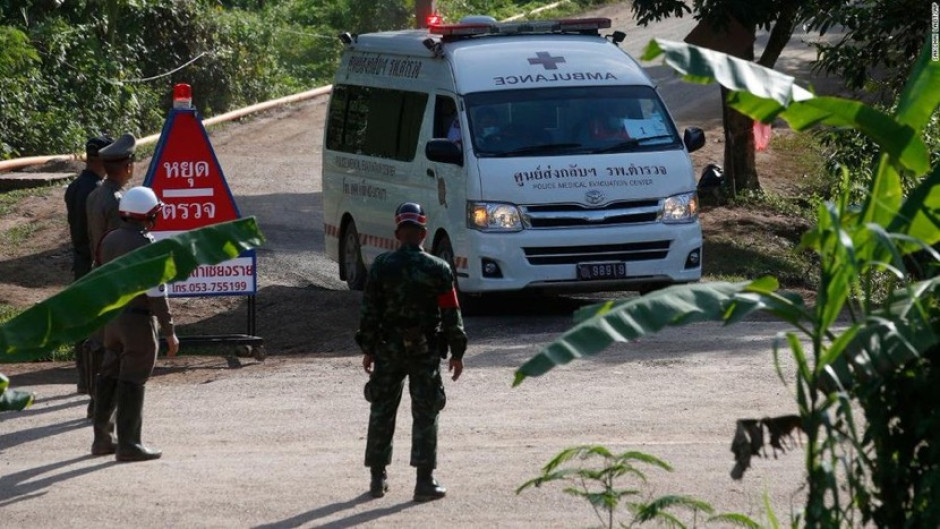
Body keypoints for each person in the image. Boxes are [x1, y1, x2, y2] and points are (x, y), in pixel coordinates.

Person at [357, 202, 468, 502]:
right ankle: (424, 481)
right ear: (423, 233)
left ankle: (377, 479)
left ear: (397, 232)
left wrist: (368, 347)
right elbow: (450, 314)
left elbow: (369, 312)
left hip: (388, 349)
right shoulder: (438, 269)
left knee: (381, 409)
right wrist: (457, 352)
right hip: (424, 350)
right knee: (426, 411)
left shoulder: (381, 266)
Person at [90, 184, 180, 462]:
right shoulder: (146, 245)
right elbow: (156, 292)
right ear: (148, 215)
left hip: (112, 322)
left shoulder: (108, 239)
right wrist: (169, 331)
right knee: (133, 379)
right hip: (137, 324)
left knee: (109, 374)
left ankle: (103, 440)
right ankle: (130, 444)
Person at [82, 133, 137, 416]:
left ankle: (95, 400)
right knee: (114, 345)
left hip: (97, 271)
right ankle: (103, 404)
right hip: (113, 277)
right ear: (127, 165)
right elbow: (120, 244)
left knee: (98, 342)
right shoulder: (118, 200)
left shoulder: (94, 194)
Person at [64, 135, 112, 398]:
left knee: (82, 325)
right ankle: (94, 383)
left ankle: (83, 379)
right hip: (95, 263)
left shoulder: (74, 187)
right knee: (97, 328)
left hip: (79, 261)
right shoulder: (99, 192)